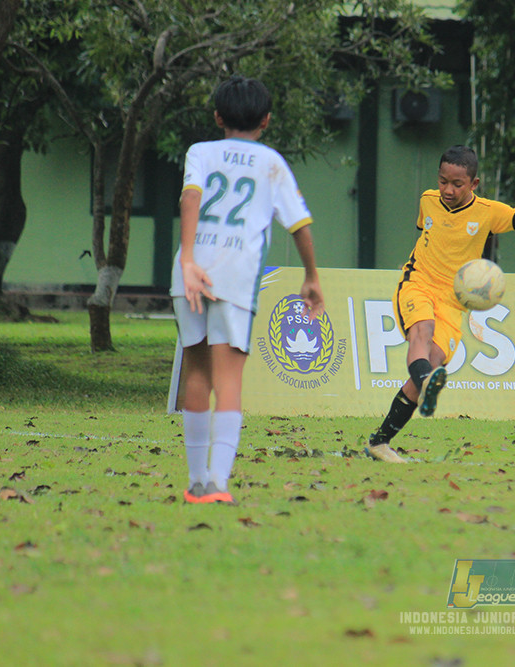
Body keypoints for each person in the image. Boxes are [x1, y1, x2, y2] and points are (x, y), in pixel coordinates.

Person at [170, 75, 324, 503]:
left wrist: (187, 260)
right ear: (267, 120)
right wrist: (311, 276)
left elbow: (191, 197)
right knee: (229, 377)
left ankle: (196, 480)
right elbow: (299, 224)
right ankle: (219, 482)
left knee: (196, 371)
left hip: (189, 271)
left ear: (217, 116)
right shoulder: (271, 162)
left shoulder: (200, 151)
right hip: (236, 275)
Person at [366, 145, 515, 463]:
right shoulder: (428, 201)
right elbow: (427, 234)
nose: (448, 190)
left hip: (453, 303)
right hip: (417, 283)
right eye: (443, 181)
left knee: (430, 364)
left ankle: (379, 442)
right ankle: (426, 381)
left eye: (457, 184)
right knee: (421, 335)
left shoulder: (488, 211)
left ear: (474, 184)